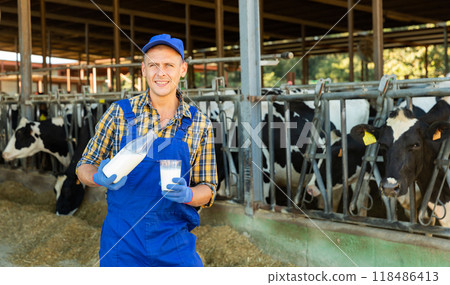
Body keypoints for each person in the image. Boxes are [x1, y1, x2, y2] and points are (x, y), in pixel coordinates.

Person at [76, 34, 217, 267]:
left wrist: (189, 195)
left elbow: (209, 188)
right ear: (143, 69)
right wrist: (96, 177)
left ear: (182, 69)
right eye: (153, 65)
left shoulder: (199, 123)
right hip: (121, 242)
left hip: (174, 242)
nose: (160, 73)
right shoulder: (118, 113)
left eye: (169, 65)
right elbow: (84, 165)